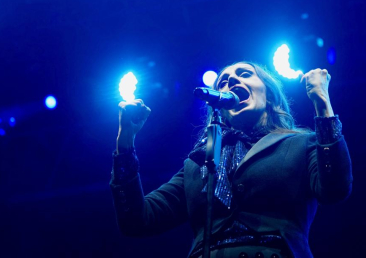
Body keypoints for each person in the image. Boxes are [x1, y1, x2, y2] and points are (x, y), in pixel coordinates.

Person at [110, 62, 353, 258]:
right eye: (223, 81)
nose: (231, 81)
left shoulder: (302, 143)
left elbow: (335, 190)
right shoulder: (198, 164)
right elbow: (137, 220)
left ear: (269, 96)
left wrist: (322, 102)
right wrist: (125, 142)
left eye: (245, 74)